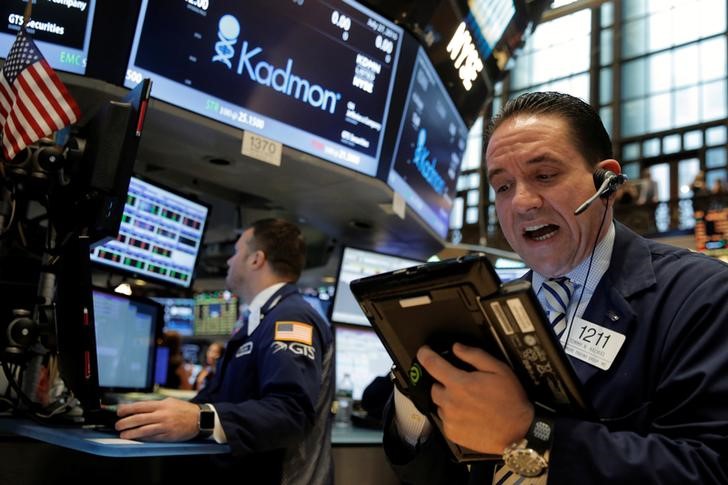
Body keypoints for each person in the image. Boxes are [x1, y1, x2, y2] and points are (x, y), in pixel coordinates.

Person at [382, 92, 728, 484]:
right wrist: (417, 400)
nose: (523, 203)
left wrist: (532, 434)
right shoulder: (484, 310)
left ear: (607, 183)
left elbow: (709, 468)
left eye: (544, 175)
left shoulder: (701, 296)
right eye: (503, 187)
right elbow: (433, 473)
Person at [116, 218, 334, 485]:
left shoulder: (290, 318)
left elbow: (290, 412)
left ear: (256, 259)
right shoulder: (258, 322)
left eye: (236, 251)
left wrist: (200, 419)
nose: (229, 261)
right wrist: (152, 412)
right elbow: (218, 396)